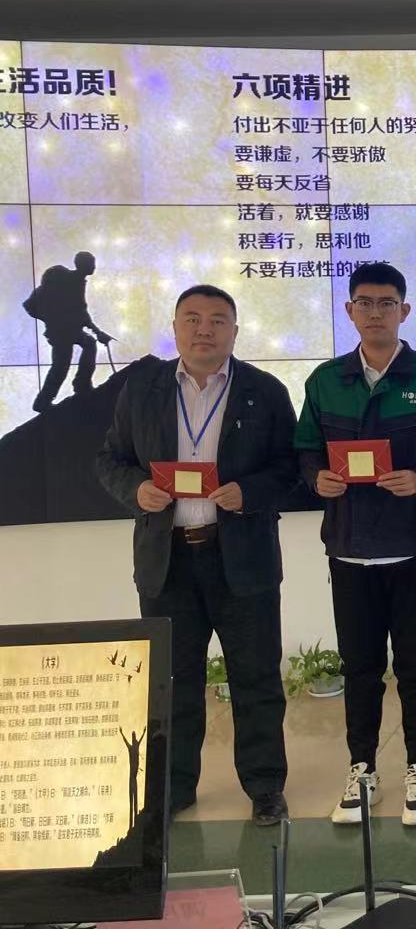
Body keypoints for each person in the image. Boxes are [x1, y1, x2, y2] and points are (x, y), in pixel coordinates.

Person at [95, 284, 295, 826]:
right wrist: (136, 489)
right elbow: (110, 460)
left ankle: (265, 786)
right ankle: (174, 787)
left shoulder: (264, 391)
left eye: (217, 320)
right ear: (176, 327)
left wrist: (249, 492)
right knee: (171, 682)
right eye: (192, 318)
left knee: (256, 677)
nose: (204, 329)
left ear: (235, 330)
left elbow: (290, 467)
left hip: (242, 558)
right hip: (168, 561)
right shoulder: (143, 389)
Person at [294, 263, 416, 827]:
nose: (375, 312)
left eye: (386, 303)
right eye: (365, 303)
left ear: (404, 311)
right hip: (349, 548)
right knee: (360, 667)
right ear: (350, 311)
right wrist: (315, 478)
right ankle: (362, 768)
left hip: (413, 546)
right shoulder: (326, 380)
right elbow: (305, 449)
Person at [25, 250, 114, 411]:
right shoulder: (70, 282)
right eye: (92, 263)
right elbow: (80, 311)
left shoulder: (77, 282)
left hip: (69, 331)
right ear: (84, 265)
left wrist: (97, 332)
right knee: (61, 366)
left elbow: (81, 312)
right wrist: (53, 320)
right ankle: (44, 401)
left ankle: (81, 384)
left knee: (87, 345)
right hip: (61, 333)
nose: (94, 267)